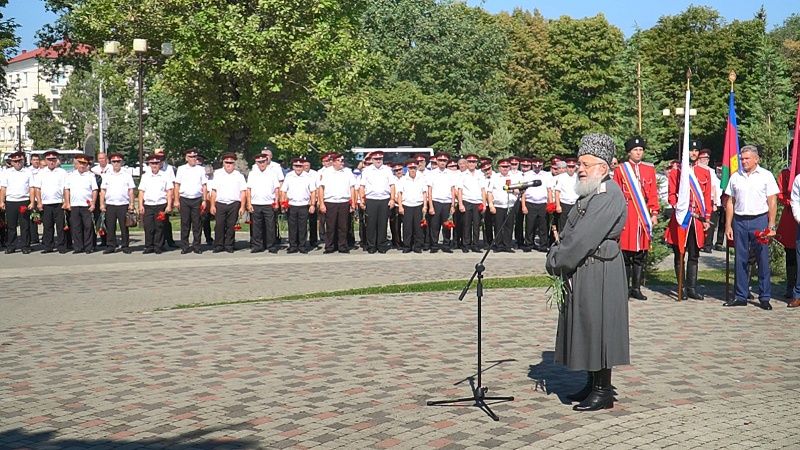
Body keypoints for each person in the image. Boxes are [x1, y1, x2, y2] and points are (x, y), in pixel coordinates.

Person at [546, 133, 629, 412]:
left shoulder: (607, 195)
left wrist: (557, 261)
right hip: (587, 267)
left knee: (599, 326)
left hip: (600, 270)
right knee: (587, 324)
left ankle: (603, 391)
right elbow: (570, 231)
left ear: (603, 168)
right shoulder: (590, 192)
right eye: (578, 163)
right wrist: (557, 253)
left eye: (585, 164)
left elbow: (583, 238)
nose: (579, 168)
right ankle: (592, 383)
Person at [724, 145, 779, 310]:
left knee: (762, 259)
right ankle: (740, 295)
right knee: (740, 259)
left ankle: (764, 297)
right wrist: (728, 225)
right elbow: (730, 202)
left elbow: (772, 201)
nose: (744, 161)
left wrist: (771, 224)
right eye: (742, 158)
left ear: (756, 159)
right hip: (740, 221)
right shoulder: (736, 177)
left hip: (759, 220)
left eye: (747, 158)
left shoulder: (766, 176)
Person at [664, 140, 713, 300]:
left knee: (694, 254)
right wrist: (678, 206)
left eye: (696, 151)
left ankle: (692, 288)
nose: (693, 153)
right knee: (680, 253)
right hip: (681, 218)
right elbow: (671, 194)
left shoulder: (704, 173)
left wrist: (706, 217)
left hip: (697, 220)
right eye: (691, 150)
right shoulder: (676, 172)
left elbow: (706, 197)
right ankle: (681, 288)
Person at [612, 136, 660, 301]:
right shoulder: (621, 170)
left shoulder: (649, 169)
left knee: (640, 253)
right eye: (635, 150)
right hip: (627, 214)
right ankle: (624, 288)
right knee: (625, 252)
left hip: (642, 216)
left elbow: (653, 193)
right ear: (629, 152)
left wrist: (654, 213)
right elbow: (616, 193)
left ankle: (636, 288)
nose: (638, 153)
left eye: (640, 150)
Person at [359, 150, 395, 254]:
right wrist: (362, 200)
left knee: (383, 224)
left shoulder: (388, 170)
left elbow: (392, 185)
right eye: (376, 159)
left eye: (380, 159)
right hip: (371, 199)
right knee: (371, 224)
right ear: (372, 160)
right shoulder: (367, 170)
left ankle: (381, 245)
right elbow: (362, 186)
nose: (378, 161)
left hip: (384, 199)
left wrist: (392, 199)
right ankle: (371, 246)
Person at [210, 152, 247, 253]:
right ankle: (218, 245)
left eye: (231, 162)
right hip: (220, 203)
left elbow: (243, 192)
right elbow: (213, 191)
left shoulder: (239, 175)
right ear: (223, 163)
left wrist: (242, 207)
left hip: (234, 204)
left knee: (231, 226)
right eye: (227, 162)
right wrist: (212, 205)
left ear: (234, 163)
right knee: (219, 225)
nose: (229, 164)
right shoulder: (217, 174)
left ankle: (229, 245)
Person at [99, 152, 136, 254]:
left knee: (124, 227)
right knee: (110, 227)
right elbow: (102, 191)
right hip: (110, 204)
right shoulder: (107, 175)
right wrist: (102, 204)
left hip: (123, 204)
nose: (116, 163)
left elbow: (131, 191)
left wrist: (131, 204)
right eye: (114, 161)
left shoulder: (126, 175)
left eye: (118, 161)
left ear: (122, 162)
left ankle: (125, 246)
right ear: (110, 162)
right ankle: (111, 246)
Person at [320, 153, 356, 253]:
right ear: (334, 162)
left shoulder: (348, 172)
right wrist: (321, 203)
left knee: (343, 226)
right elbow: (321, 188)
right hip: (330, 201)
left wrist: (352, 202)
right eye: (340, 161)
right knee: (330, 226)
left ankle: (343, 246)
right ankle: (330, 246)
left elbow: (352, 188)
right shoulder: (326, 172)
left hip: (344, 201)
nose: (342, 163)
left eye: (343, 160)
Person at [174, 148, 208, 254]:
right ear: (186, 158)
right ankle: (185, 246)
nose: (193, 159)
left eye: (195, 157)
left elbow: (204, 185)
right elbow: (177, 185)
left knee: (197, 224)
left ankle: (196, 246)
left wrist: (204, 200)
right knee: (185, 223)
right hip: (184, 198)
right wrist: (176, 200)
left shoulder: (201, 169)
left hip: (197, 199)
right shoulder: (181, 169)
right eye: (191, 157)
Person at [0, 151, 35, 254]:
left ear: (23, 161)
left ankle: (25, 246)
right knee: (11, 226)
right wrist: (1, 201)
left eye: (19, 161)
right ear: (11, 162)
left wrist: (32, 202)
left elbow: (31, 188)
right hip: (11, 201)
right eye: (15, 161)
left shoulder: (28, 172)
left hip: (23, 200)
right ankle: (11, 246)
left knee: (25, 225)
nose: (18, 163)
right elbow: (3, 188)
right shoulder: (6, 172)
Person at [138, 154, 174, 254]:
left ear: (160, 164)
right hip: (148, 205)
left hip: (160, 204)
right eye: (152, 163)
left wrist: (169, 205)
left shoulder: (165, 176)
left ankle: (158, 246)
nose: (154, 165)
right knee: (148, 227)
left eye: (157, 163)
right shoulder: (145, 176)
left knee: (160, 227)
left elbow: (169, 191)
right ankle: (149, 246)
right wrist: (140, 205)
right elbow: (141, 192)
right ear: (149, 164)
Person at [280, 157, 316, 253]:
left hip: (304, 204)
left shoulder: (308, 177)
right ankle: (293, 246)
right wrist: (283, 204)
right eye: (296, 166)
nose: (298, 168)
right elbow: (283, 191)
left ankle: (302, 246)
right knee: (292, 227)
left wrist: (312, 205)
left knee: (303, 227)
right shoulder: (289, 176)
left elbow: (313, 192)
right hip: (292, 205)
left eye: (300, 166)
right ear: (293, 167)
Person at [34, 150, 68, 253]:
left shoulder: (62, 172)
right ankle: (48, 246)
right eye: (49, 160)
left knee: (60, 226)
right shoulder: (41, 173)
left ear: (56, 160)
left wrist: (66, 202)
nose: (51, 162)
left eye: (53, 159)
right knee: (47, 226)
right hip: (46, 204)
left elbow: (66, 188)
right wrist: (39, 202)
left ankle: (61, 246)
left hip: (59, 203)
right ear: (45, 160)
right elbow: (37, 189)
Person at [64, 154, 99, 254]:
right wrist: (67, 203)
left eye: (84, 163)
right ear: (77, 164)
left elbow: (94, 190)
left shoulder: (90, 176)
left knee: (88, 227)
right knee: (76, 227)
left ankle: (88, 247)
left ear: (87, 164)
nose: (82, 166)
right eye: (80, 163)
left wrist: (93, 204)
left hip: (86, 205)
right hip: (74, 205)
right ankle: (78, 247)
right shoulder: (70, 175)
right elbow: (67, 190)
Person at [246, 153, 281, 253]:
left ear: (267, 161)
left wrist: (276, 202)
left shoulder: (272, 173)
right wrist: (249, 203)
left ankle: (271, 246)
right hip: (255, 203)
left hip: (269, 203)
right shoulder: (252, 173)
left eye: (263, 161)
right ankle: (258, 245)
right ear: (256, 163)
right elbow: (249, 189)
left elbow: (276, 189)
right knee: (256, 227)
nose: (261, 164)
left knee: (270, 226)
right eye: (259, 162)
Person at [487, 158, 521, 252]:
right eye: (503, 167)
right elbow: (489, 192)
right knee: (498, 226)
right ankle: (498, 245)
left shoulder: (514, 177)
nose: (505, 169)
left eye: (507, 167)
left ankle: (507, 245)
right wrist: (490, 205)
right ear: (499, 168)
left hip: (510, 205)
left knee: (509, 226)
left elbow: (518, 191)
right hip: (498, 205)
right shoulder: (495, 177)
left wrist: (513, 189)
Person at [427, 153, 457, 253]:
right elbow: (429, 190)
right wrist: (430, 206)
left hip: (447, 202)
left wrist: (453, 205)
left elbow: (453, 190)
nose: (442, 162)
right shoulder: (432, 173)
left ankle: (446, 245)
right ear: (437, 161)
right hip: (436, 202)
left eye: (444, 161)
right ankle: (434, 245)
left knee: (447, 225)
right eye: (440, 160)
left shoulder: (450, 174)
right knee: (434, 225)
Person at [396, 158, 428, 253]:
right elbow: (399, 194)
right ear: (407, 169)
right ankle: (407, 246)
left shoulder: (421, 179)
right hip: (407, 205)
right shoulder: (403, 179)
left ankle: (417, 246)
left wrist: (425, 206)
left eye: (414, 168)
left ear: (417, 168)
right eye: (410, 168)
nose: (412, 170)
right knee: (407, 227)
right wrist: (400, 206)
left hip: (418, 205)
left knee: (418, 228)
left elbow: (424, 193)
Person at [521, 157, 553, 252]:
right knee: (529, 225)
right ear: (532, 165)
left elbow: (549, 190)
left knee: (543, 226)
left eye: (539, 166)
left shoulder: (547, 175)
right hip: (530, 203)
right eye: (535, 166)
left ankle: (543, 245)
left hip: (542, 203)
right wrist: (523, 205)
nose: (537, 167)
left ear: (542, 166)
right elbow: (523, 191)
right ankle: (529, 244)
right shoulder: (527, 175)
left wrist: (550, 204)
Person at [458, 154, 487, 253]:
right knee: (466, 224)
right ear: (467, 163)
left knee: (476, 224)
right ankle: (466, 244)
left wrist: (484, 204)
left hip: (477, 202)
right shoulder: (462, 175)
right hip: (467, 201)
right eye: (470, 162)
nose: (471, 164)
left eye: (473, 162)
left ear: (476, 163)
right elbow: (460, 190)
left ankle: (475, 244)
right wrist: (461, 204)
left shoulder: (480, 174)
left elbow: (483, 190)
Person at [777, 154, 797, 299]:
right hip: (791, 216)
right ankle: (791, 285)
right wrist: (791, 202)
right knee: (790, 252)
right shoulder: (785, 173)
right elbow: (780, 193)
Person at [698, 149, 722, 253]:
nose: (706, 160)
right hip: (698, 202)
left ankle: (708, 245)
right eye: (703, 158)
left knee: (711, 224)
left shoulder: (711, 172)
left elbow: (715, 187)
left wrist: (716, 202)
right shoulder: (694, 169)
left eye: (707, 158)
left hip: (710, 201)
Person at [553, 157, 579, 233]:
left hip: (575, 204)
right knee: (563, 226)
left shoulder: (578, 177)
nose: (571, 169)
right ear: (566, 167)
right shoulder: (561, 177)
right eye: (569, 167)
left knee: (574, 225)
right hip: (564, 204)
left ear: (575, 167)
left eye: (573, 167)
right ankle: (562, 243)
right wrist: (558, 205)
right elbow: (557, 192)